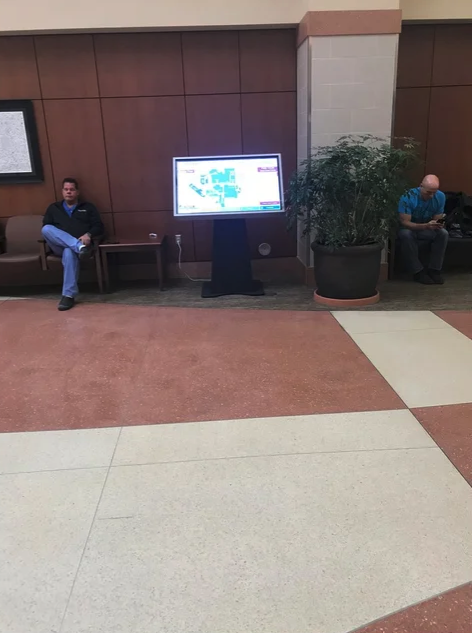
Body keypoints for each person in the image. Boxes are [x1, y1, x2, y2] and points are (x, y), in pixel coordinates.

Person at [42, 178, 104, 311]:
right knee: (46, 229)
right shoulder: (54, 208)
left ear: (77, 192)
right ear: (62, 191)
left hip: (77, 246)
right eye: (66, 189)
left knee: (69, 252)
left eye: (72, 189)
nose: (69, 192)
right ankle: (78, 246)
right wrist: (77, 244)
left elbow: (98, 226)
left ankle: (68, 295)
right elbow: (47, 229)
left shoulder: (88, 207)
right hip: (59, 246)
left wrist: (88, 234)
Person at [398, 174, 448, 285]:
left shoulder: (440, 196)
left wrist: (438, 224)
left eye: (434, 192)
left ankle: (435, 270)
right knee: (406, 235)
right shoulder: (408, 197)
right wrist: (426, 226)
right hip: (409, 228)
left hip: (426, 228)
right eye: (428, 192)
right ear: (420, 186)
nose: (431, 196)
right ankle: (418, 272)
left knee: (443, 233)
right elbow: (405, 222)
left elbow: (437, 218)